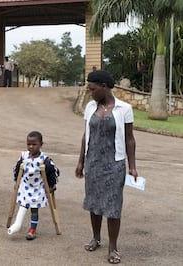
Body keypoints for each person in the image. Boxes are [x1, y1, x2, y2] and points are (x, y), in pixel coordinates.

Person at [75, 70, 138, 264]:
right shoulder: (90, 107)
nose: (90, 92)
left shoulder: (124, 109)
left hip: (114, 164)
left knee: (113, 206)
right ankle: (96, 238)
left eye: (92, 89)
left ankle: (113, 247)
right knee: (94, 203)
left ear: (104, 87)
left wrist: (132, 166)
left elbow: (129, 139)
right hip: (93, 162)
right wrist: (81, 161)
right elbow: (86, 135)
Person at [7, 131, 59, 240]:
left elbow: (52, 173)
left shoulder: (45, 160)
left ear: (41, 145)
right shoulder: (24, 156)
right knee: (23, 205)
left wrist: (51, 185)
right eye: (28, 144)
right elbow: (17, 168)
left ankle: (32, 230)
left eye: (34, 144)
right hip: (25, 185)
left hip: (37, 187)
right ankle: (16, 224)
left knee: (34, 209)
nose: (31, 147)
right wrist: (16, 181)